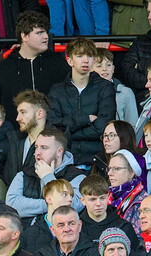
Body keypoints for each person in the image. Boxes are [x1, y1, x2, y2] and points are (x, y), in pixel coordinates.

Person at [0, 11, 68, 124]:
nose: (46, 37)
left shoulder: (58, 63)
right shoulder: (4, 68)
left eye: (46, 32)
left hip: (53, 132)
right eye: (39, 33)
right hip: (14, 136)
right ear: (24, 36)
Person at [48, 38, 115, 167]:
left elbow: (104, 126)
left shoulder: (105, 87)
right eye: (80, 56)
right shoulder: (57, 90)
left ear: (94, 59)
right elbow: (53, 125)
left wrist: (69, 132)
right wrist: (86, 119)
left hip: (97, 159)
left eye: (90, 56)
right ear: (70, 60)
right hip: (65, 160)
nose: (86, 60)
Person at [7, 127, 85, 224]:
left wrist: (48, 177)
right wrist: (52, 203)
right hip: (27, 233)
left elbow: (75, 205)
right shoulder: (24, 174)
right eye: (36, 147)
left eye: (44, 148)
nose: (37, 153)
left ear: (59, 151)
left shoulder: (77, 176)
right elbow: (11, 205)